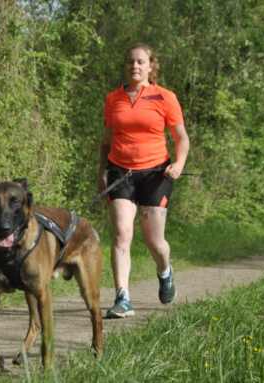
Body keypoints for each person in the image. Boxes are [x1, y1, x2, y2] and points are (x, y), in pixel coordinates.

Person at [98, 43, 190, 318]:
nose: (134, 66)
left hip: (155, 174)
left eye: (140, 62)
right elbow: (106, 140)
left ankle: (165, 270)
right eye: (130, 62)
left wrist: (179, 164)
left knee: (154, 241)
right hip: (120, 172)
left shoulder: (165, 97)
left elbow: (181, 137)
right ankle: (122, 298)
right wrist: (101, 171)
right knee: (121, 234)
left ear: (151, 66)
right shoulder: (113, 99)